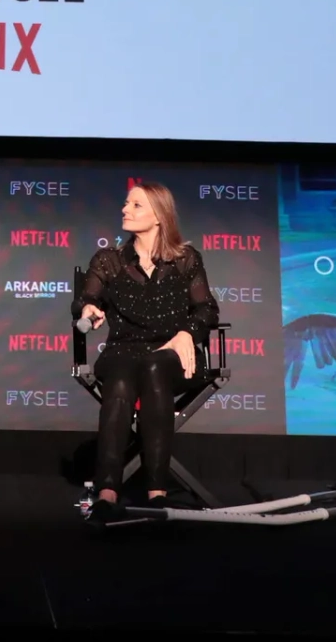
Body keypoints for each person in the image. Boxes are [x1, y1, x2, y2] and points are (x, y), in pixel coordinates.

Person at [75, 182, 218, 522]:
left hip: (172, 353)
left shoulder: (185, 260)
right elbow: (86, 298)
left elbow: (207, 310)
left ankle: (157, 493)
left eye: (136, 205)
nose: (125, 210)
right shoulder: (108, 260)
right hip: (122, 351)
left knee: (154, 366)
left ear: (158, 216)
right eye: (126, 204)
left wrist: (187, 333)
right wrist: (87, 310)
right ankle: (108, 491)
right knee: (123, 375)